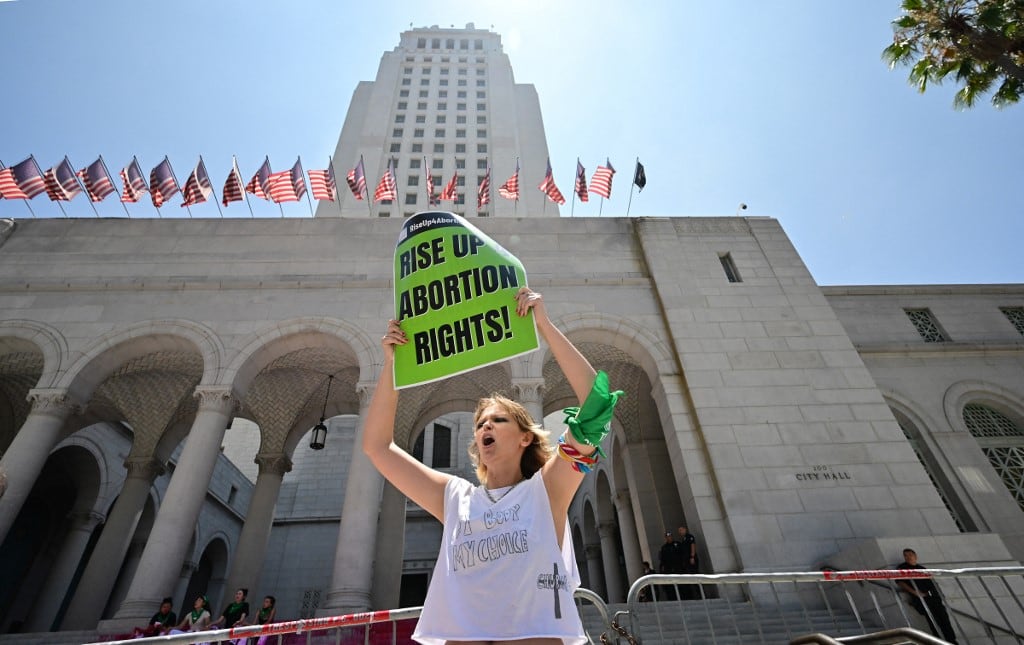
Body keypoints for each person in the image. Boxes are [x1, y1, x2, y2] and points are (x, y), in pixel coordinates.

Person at [364, 287, 622, 645]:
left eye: (498, 420)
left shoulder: (546, 491)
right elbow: (377, 448)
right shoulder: (455, 498)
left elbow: (598, 407)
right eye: (480, 423)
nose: (485, 426)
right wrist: (393, 366)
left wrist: (543, 325)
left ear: (525, 437)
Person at [896, 548, 958, 643]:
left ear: (915, 556)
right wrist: (915, 593)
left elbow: (932, 582)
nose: (908, 557)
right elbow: (900, 582)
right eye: (905, 555)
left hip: (934, 597)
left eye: (910, 555)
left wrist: (939, 594)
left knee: (945, 620)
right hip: (923, 599)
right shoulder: (902, 567)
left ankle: (952, 641)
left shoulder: (922, 568)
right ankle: (938, 642)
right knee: (933, 622)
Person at [677, 525, 699, 599]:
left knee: (695, 576)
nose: (680, 532)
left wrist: (692, 557)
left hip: (691, 560)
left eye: (681, 530)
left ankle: (699, 595)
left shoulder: (689, 537)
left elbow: (692, 546)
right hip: (686, 562)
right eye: (679, 531)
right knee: (690, 578)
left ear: (685, 529)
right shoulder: (683, 539)